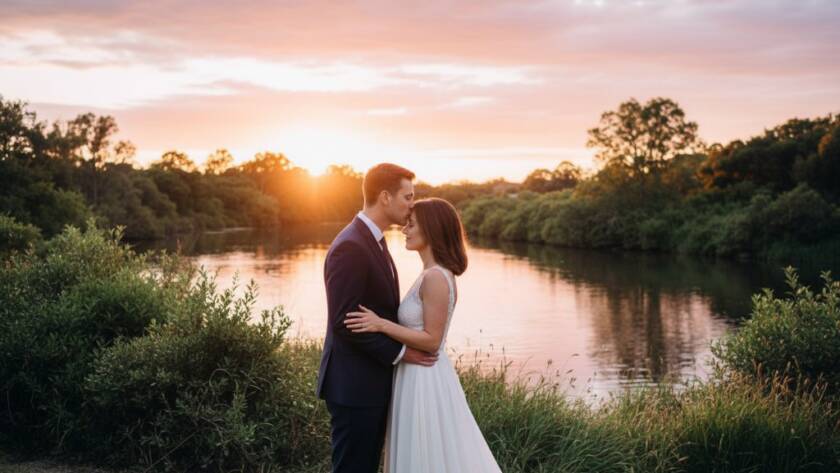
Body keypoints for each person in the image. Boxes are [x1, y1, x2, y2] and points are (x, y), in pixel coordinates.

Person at [345, 197, 503, 472]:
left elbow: (432, 340)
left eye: (411, 224)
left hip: (425, 377)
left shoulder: (436, 278)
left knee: (426, 454)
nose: (404, 230)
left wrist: (381, 324)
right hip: (414, 372)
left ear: (431, 230)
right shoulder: (430, 274)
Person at [317, 163, 438, 473]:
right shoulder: (351, 247)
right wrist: (402, 353)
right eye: (407, 197)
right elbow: (345, 323)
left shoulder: (374, 240)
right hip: (354, 386)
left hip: (369, 382)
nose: (412, 204)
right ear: (385, 197)